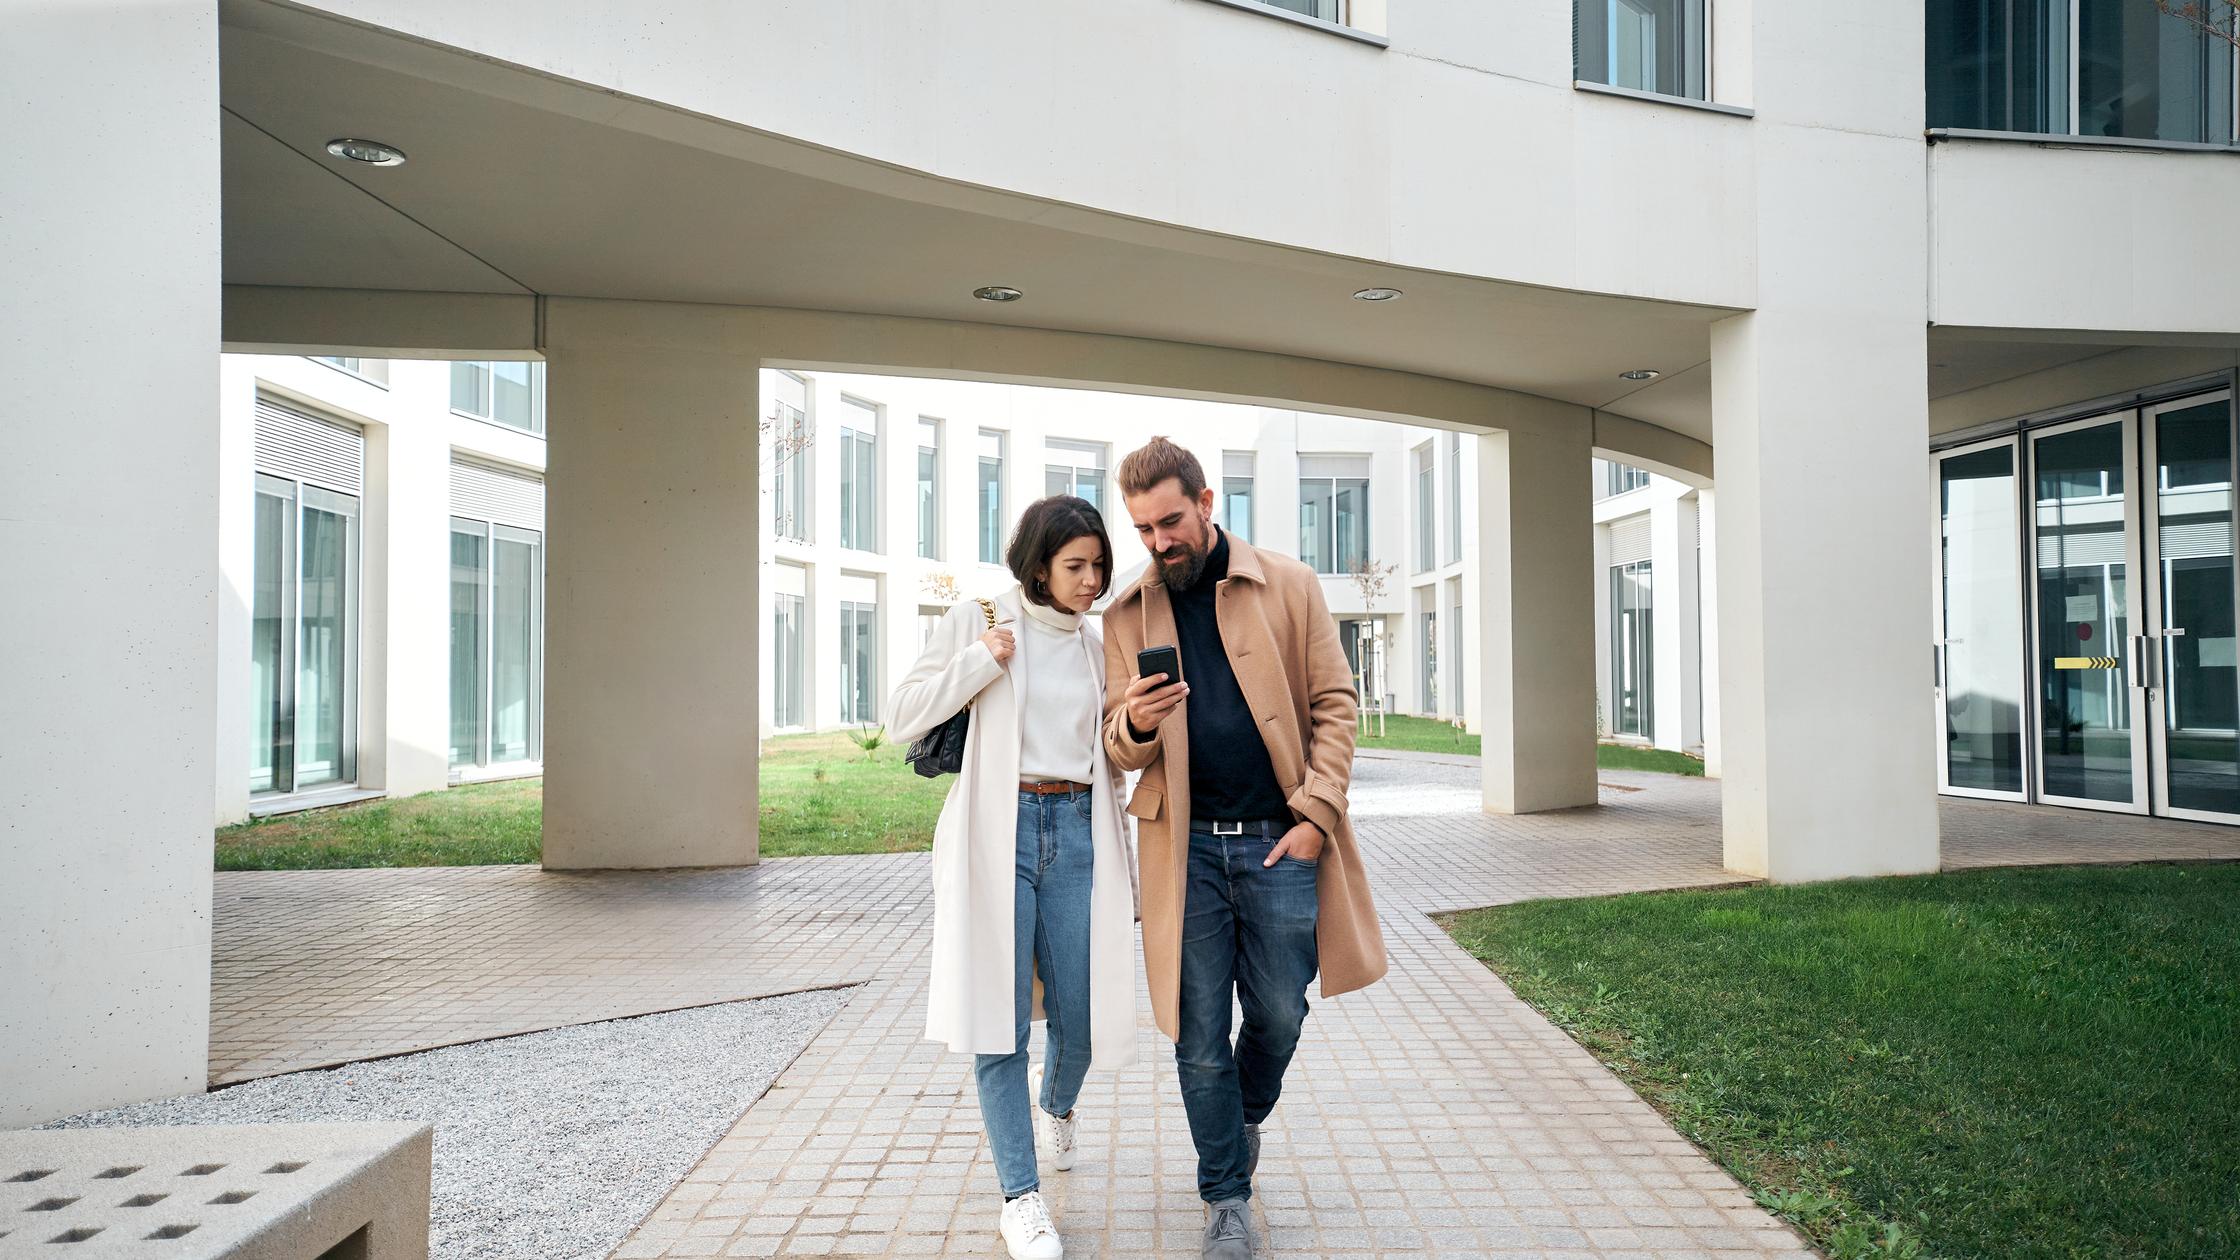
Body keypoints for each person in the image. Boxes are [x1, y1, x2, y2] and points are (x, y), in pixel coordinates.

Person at [1101, 438, 1387, 1260]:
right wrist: (1138, 722)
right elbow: (1118, 749)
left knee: (1277, 1012)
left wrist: (1317, 815)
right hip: (1181, 851)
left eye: (1170, 521)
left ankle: (1235, 1121)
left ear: (1205, 501)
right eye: (1144, 529)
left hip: (1279, 842)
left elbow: (1335, 704)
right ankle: (1226, 1197)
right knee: (1197, 1034)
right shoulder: (1127, 614)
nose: (1159, 543)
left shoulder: (1289, 585)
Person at [886, 495, 1139, 1260]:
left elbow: (1111, 757)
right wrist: (979, 660)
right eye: (1076, 567)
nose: (1091, 581)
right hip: (1000, 832)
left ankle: (1055, 1104)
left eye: (1098, 565)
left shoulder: (1097, 646)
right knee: (997, 1023)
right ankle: (1021, 1200)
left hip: (1078, 831)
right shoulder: (980, 618)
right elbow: (901, 714)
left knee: (1081, 1020)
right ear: (1038, 565)